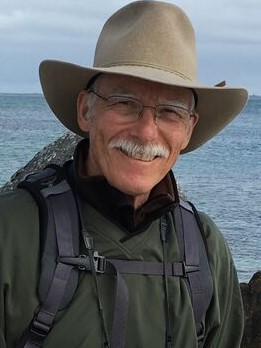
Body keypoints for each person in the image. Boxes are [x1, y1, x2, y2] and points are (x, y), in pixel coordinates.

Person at [0, 1, 248, 347]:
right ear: (86, 111)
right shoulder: (10, 231)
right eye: (124, 103)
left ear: (189, 130)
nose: (146, 133)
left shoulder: (206, 248)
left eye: (170, 112)